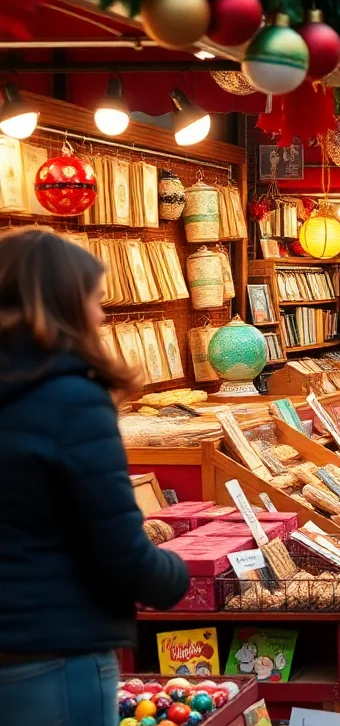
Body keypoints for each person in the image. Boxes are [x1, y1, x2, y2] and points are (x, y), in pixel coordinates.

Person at [0, 228, 190, 720]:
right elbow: (117, 551)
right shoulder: (70, 400)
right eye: (95, 300)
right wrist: (176, 574)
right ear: (64, 304)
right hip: (51, 652)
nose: (102, 315)